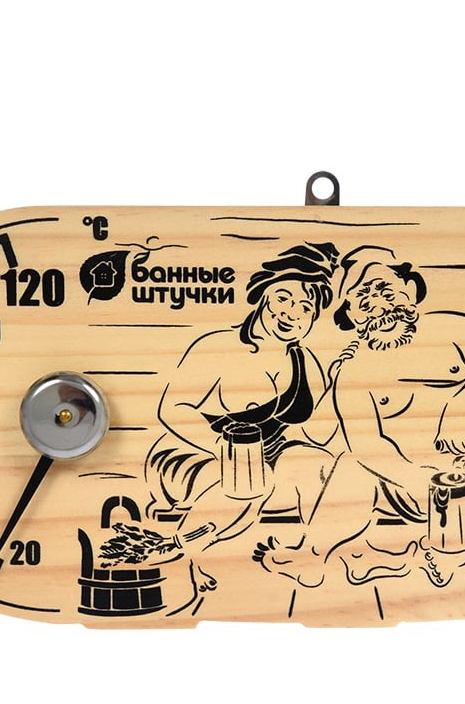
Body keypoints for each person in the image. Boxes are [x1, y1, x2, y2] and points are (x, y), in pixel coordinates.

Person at [255, 247, 465, 585]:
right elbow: (367, 445)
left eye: (384, 289)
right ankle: (318, 556)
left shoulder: (450, 328)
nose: (377, 304)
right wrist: (423, 479)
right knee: (350, 465)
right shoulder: (354, 373)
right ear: (350, 314)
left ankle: (367, 556)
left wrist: (463, 407)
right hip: (407, 488)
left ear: (409, 289)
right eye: (362, 298)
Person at [142, 242, 340, 577]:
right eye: (283, 298)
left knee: (321, 467)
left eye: (305, 307)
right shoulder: (218, 346)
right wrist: (227, 451)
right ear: (263, 294)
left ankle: (313, 556)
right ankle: (178, 548)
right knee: (246, 482)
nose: (291, 313)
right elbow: (172, 408)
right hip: (193, 452)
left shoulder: (305, 361)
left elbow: (319, 432)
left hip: (268, 456)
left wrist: (338, 388)